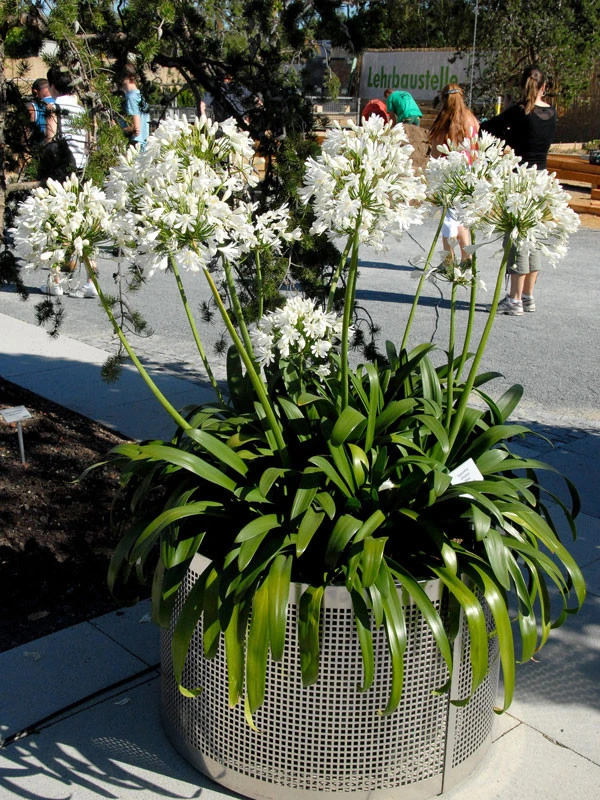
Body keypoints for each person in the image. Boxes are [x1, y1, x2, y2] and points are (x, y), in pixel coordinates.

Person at [481, 65, 558, 315]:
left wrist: (505, 143)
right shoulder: (552, 113)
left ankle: (513, 299)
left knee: (516, 238)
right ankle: (528, 296)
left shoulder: (518, 113)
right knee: (533, 238)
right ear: (544, 87)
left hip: (519, 180)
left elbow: (487, 130)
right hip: (542, 180)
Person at [429, 83, 480, 261]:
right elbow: (476, 146)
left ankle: (448, 260)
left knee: (449, 219)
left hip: (448, 174)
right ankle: (467, 259)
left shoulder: (442, 122)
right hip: (468, 173)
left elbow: (435, 150)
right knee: (462, 219)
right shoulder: (471, 119)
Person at [45, 66, 89, 177]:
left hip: (64, 166)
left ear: (52, 86)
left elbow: (51, 137)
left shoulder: (53, 108)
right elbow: (87, 142)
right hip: (82, 165)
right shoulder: (82, 110)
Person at [121, 66, 150, 150]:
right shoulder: (140, 95)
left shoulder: (131, 97)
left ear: (130, 77)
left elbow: (135, 116)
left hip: (135, 141)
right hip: (143, 140)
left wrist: (133, 131)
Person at [27, 78, 55, 143]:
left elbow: (26, 131)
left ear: (35, 91)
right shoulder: (61, 103)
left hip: (42, 146)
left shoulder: (34, 107)